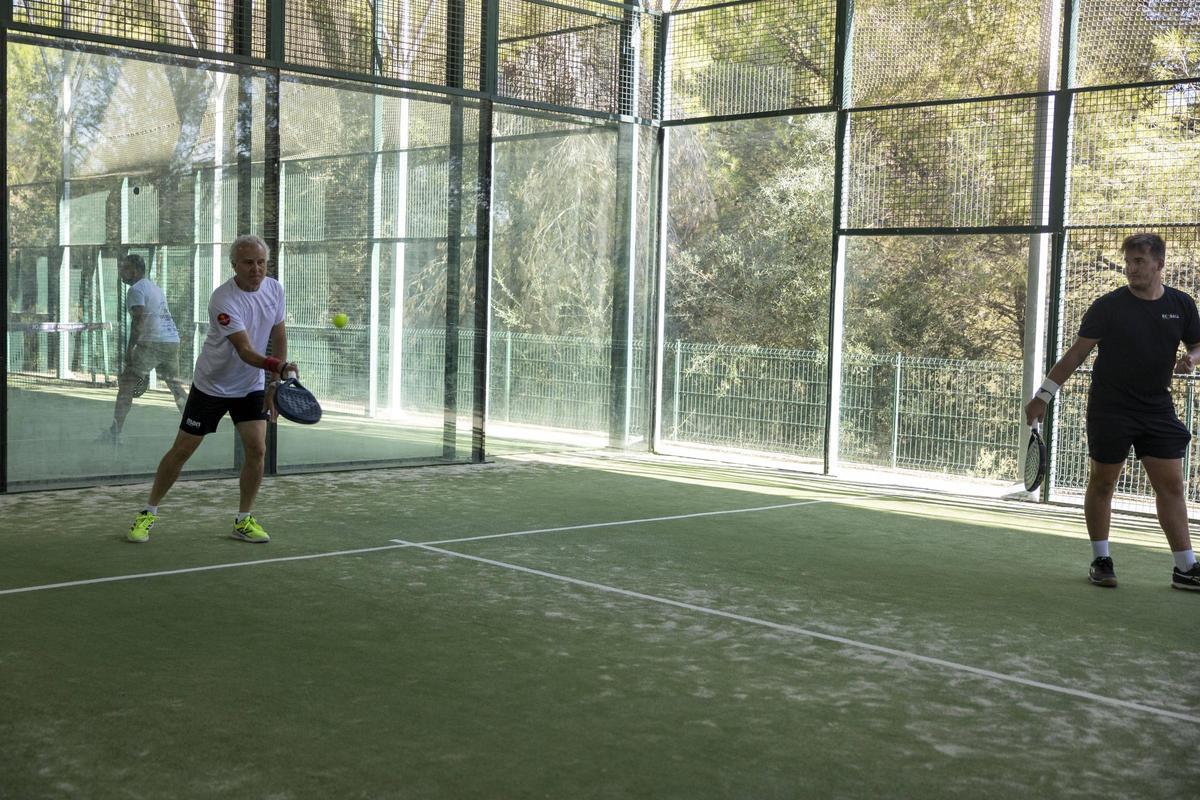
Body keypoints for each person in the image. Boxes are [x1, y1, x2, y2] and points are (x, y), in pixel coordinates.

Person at [1025, 232, 1200, 591]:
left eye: (1139, 261)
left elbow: (1198, 345)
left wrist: (1192, 359)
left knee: (1171, 486)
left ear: (1159, 264)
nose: (1131, 268)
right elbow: (1076, 354)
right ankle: (1101, 560)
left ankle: (1185, 568)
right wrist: (1043, 395)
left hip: (1157, 408)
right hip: (1111, 408)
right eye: (1128, 261)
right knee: (1103, 482)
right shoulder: (1108, 307)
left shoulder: (1182, 305)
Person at [127, 234, 296, 544]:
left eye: (261, 262)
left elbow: (279, 336)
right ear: (234, 265)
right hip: (212, 386)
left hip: (250, 386)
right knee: (182, 451)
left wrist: (274, 382)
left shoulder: (275, 290)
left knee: (257, 449)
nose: (256, 269)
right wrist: (279, 366)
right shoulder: (223, 299)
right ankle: (147, 513)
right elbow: (244, 350)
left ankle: (243, 520)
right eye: (248, 263)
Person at [99, 254, 190, 443]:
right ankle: (195, 426)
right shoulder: (155, 288)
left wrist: (130, 349)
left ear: (134, 270)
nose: (121, 272)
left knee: (126, 386)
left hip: (151, 342)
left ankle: (114, 434)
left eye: (124, 268)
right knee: (176, 387)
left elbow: (139, 320)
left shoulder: (136, 289)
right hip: (171, 341)